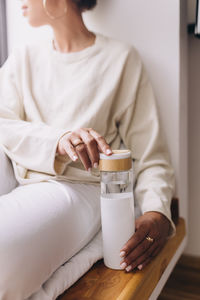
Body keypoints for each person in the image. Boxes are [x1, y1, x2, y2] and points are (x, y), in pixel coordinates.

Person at [0, 0, 175, 299]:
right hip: (20, 179)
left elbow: (150, 155)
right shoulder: (22, 59)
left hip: (78, 187)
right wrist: (57, 140)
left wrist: (157, 212)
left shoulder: (120, 59)